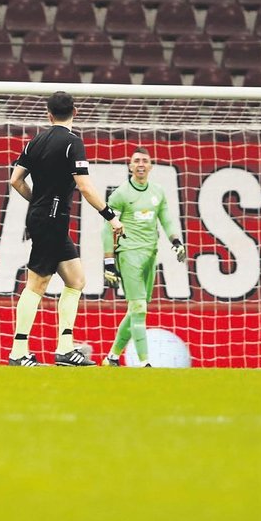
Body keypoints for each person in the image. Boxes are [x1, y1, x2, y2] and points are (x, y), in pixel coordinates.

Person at [7, 91, 123, 366]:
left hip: (45, 217)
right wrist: (111, 216)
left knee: (76, 280)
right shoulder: (73, 143)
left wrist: (38, 201)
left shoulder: (35, 141)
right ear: (76, 111)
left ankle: (65, 349)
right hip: (52, 218)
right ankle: (18, 352)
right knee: (37, 283)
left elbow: (15, 180)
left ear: (49, 115)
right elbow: (85, 186)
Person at [99, 147, 184, 368]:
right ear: (130, 166)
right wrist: (109, 262)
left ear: (150, 166)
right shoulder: (120, 194)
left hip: (150, 255)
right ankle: (145, 362)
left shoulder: (157, 192)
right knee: (139, 308)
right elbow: (107, 228)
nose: (140, 164)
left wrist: (176, 240)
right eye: (136, 161)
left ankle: (112, 357)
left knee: (136, 309)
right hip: (129, 254)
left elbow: (166, 218)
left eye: (144, 161)